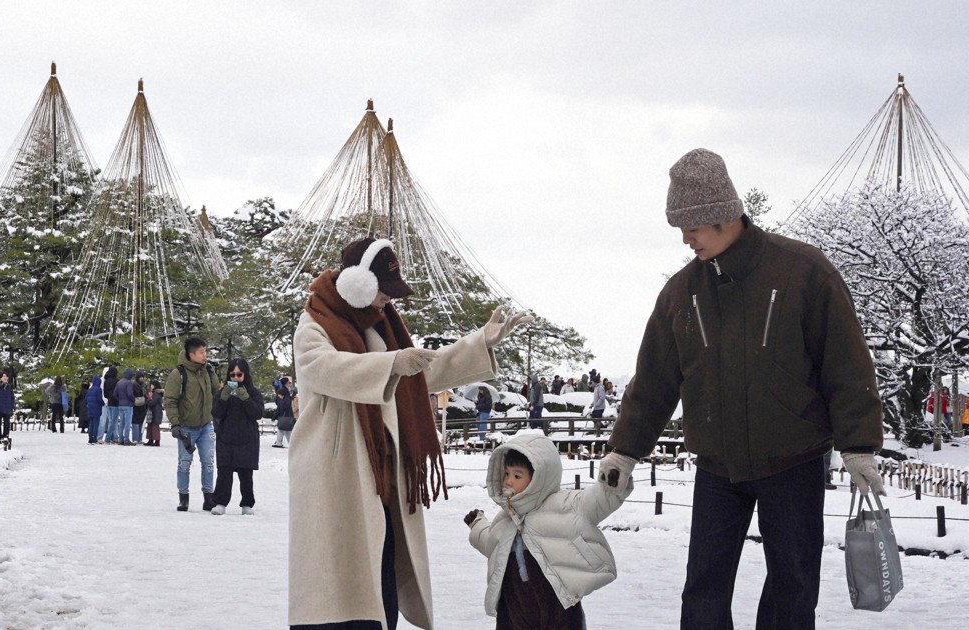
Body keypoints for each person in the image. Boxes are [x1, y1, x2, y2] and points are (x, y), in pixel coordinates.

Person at [600, 148, 886, 629]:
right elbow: (653, 380)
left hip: (792, 461)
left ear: (720, 215)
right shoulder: (681, 293)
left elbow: (846, 361)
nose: (685, 238)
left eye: (690, 226)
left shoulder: (802, 271)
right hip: (717, 466)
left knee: (792, 589)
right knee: (703, 591)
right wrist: (624, 452)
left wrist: (858, 447)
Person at [289, 236, 531, 630]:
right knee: (334, 584)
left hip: (380, 473)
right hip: (335, 474)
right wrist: (391, 364)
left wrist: (478, 343)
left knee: (378, 578)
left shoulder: (381, 325)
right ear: (357, 284)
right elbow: (324, 368)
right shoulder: (315, 322)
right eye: (383, 291)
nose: (388, 300)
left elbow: (417, 374)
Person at [466, 434, 631, 629]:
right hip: (514, 608)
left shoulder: (566, 505)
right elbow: (491, 543)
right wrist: (477, 524)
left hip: (557, 605)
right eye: (506, 474)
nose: (509, 481)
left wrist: (613, 478)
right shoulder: (505, 519)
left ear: (539, 478)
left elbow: (596, 501)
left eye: (517, 476)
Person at [168, 337, 222, 511]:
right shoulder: (178, 374)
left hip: (206, 425)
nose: (205, 355)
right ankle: (183, 498)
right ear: (191, 355)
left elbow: (216, 393)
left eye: (205, 351)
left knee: (208, 462)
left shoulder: (208, 371)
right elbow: (170, 400)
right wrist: (175, 424)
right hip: (186, 427)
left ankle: (209, 497)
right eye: (201, 352)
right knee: (184, 462)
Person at [210, 358, 264, 515]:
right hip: (226, 438)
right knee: (224, 472)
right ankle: (220, 502)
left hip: (247, 439)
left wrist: (246, 399)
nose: (235, 378)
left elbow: (258, 413)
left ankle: (247, 503)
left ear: (245, 375)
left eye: (239, 374)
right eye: (232, 374)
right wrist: (223, 399)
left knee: (246, 473)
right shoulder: (223, 392)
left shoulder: (253, 392)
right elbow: (216, 413)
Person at [113, 368, 136, 445]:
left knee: (121, 422)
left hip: (120, 404)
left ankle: (120, 439)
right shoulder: (128, 382)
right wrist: (133, 400)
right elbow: (130, 394)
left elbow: (114, 394)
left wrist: (120, 399)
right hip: (128, 405)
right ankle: (126, 439)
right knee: (127, 422)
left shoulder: (119, 382)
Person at [0, 372, 15, 443]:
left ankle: (5, 436)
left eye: (6, 376)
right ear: (0, 378)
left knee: (7, 425)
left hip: (7, 409)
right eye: (3, 376)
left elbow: (12, 398)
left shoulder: (9, 388)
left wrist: (12, 407)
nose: (5, 378)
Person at [102, 367, 120, 444]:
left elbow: (105, 393)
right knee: (114, 421)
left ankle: (112, 436)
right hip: (116, 403)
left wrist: (109, 397)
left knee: (111, 421)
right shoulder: (117, 381)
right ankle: (109, 437)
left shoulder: (106, 381)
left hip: (109, 402)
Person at [85, 376, 104, 445]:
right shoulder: (99, 389)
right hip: (96, 409)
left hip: (90, 409)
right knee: (96, 424)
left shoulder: (89, 390)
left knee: (91, 424)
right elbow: (99, 399)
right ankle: (94, 438)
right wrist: (103, 403)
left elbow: (86, 400)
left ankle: (90, 438)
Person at [131, 372, 148, 445]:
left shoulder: (144, 385)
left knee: (141, 423)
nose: (142, 378)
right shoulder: (134, 385)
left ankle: (139, 438)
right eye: (141, 377)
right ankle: (135, 438)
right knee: (135, 422)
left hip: (143, 406)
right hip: (136, 406)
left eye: (143, 377)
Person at [146, 380, 164, 447]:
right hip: (154, 412)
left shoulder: (156, 394)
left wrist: (148, 400)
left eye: (152, 385)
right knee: (150, 426)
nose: (151, 386)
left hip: (156, 412)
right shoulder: (155, 393)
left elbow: (152, 402)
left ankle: (156, 441)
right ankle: (151, 440)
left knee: (154, 426)